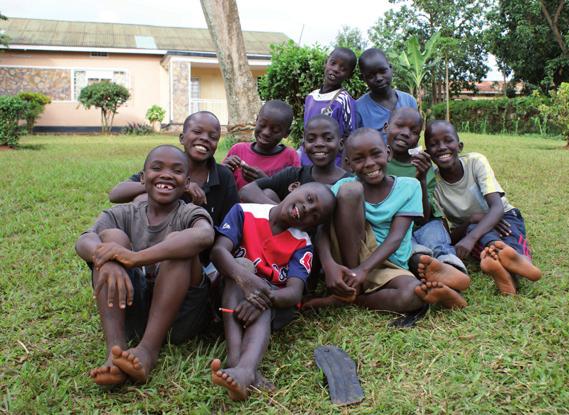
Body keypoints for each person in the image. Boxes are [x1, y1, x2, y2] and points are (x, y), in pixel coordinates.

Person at [75, 145, 215, 386]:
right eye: (157, 168)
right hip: (132, 311)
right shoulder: (124, 212)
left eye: (177, 170)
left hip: (179, 320)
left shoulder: (190, 213)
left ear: (187, 183)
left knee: (178, 244)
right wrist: (106, 258)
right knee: (111, 238)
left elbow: (203, 236)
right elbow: (84, 240)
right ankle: (116, 349)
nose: (167, 174)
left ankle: (148, 350)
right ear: (142, 177)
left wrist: (135, 258)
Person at [304, 128, 467, 312]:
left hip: (387, 262)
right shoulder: (343, 187)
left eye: (376, 154)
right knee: (351, 190)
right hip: (349, 256)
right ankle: (352, 282)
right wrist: (329, 265)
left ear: (388, 153)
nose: (370, 163)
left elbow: (396, 238)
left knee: (413, 294)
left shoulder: (410, 187)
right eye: (359, 159)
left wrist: (363, 271)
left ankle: (351, 297)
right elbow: (323, 230)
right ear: (348, 164)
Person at [209, 182, 336, 401]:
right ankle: (238, 362)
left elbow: (294, 293)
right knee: (242, 266)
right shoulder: (244, 211)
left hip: (272, 307)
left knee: (266, 293)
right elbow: (219, 252)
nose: (307, 209)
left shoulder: (302, 243)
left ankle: (244, 369)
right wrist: (247, 281)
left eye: (314, 216)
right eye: (309, 198)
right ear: (293, 187)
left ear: (310, 227)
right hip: (229, 295)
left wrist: (262, 293)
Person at [424, 120, 542, 295]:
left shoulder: (476, 162)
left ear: (460, 145)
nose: (441, 147)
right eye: (434, 144)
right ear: (428, 154)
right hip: (470, 227)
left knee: (508, 235)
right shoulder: (434, 184)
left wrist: (471, 238)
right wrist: (473, 220)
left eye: (448, 140)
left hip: (504, 217)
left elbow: (497, 208)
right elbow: (447, 234)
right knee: (476, 231)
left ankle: (520, 262)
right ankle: (505, 268)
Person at [384, 108, 469, 293]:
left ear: (418, 139)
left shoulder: (423, 165)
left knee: (435, 237)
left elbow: (423, 218)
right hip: (394, 229)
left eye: (414, 131)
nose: (406, 133)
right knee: (409, 248)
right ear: (386, 127)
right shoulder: (377, 160)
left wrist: (421, 179)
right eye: (399, 126)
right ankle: (426, 267)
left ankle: (452, 269)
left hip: (425, 222)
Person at [108, 111, 238, 229]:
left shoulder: (223, 176)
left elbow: (233, 221)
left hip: (203, 244)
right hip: (158, 243)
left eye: (213, 137)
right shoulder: (165, 167)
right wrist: (177, 185)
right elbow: (115, 194)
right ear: (182, 138)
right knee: (142, 199)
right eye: (197, 132)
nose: (204, 138)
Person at [239, 115, 351, 204]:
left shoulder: (350, 183)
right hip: (293, 232)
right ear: (304, 146)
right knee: (268, 193)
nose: (319, 144)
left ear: (340, 144)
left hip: (331, 233)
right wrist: (279, 210)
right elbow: (246, 190)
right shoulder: (294, 175)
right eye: (311, 139)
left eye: (328, 139)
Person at [299, 47, 358, 167]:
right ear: (326, 63)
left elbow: (350, 136)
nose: (336, 69)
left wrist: (344, 168)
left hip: (332, 164)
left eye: (343, 68)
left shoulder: (344, 100)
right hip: (307, 161)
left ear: (349, 75)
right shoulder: (311, 97)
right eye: (333, 63)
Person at [223, 100, 300, 190]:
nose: (266, 132)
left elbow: (295, 192)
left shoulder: (290, 156)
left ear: (286, 133)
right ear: (256, 120)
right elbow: (220, 183)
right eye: (262, 125)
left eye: (275, 130)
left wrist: (266, 182)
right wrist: (224, 169)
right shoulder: (238, 150)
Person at [355, 48, 417, 142]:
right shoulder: (358, 108)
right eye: (371, 76)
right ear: (363, 78)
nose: (379, 78)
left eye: (383, 71)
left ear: (390, 68)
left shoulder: (409, 101)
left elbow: (415, 135)